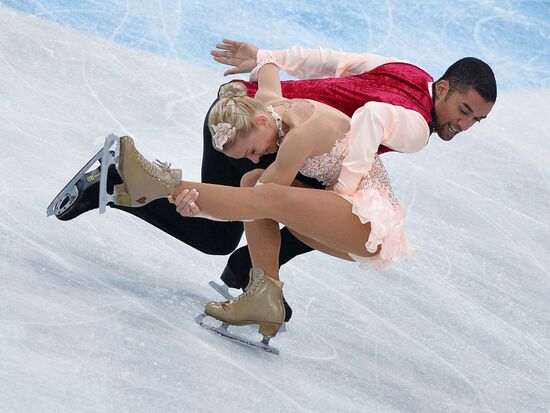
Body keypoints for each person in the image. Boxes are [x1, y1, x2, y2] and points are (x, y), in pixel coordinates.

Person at [53, 40, 497, 322]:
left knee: (263, 196)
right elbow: (373, 116)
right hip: (255, 133)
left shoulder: (407, 72)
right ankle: (124, 180)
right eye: (464, 111)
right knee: (221, 228)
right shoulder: (417, 126)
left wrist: (270, 59)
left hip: (250, 114)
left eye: (476, 120)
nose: (465, 125)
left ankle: (255, 276)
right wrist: (347, 190)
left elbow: (335, 61)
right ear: (442, 89)